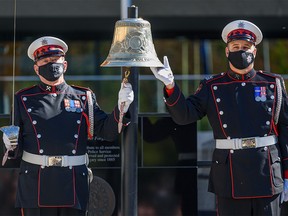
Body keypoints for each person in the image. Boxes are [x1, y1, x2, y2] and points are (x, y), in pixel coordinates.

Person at [150, 20, 288, 216]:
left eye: (246, 47)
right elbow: (185, 116)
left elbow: (286, 129)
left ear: (254, 52)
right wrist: (171, 86)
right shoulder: (212, 86)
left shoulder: (273, 83)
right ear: (227, 51)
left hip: (266, 174)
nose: (241, 51)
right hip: (230, 175)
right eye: (235, 47)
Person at [1, 36, 134, 216]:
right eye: (46, 61)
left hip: (72, 183)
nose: (51, 65)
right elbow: (16, 144)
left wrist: (121, 107)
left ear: (65, 65)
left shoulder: (83, 96)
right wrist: (10, 145)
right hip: (36, 183)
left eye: (55, 60)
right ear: (36, 68)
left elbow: (106, 131)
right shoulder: (23, 98)